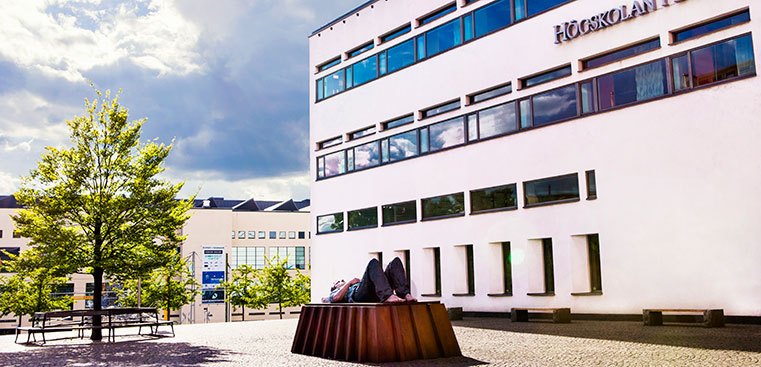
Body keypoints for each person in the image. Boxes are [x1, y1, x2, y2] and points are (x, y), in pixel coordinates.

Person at [322, 257, 417, 303]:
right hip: (359, 296)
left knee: (395, 262)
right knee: (373, 263)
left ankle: (405, 294)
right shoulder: (335, 292)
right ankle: (387, 296)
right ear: (335, 287)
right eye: (338, 282)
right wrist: (349, 282)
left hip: (374, 291)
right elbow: (335, 298)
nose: (342, 281)